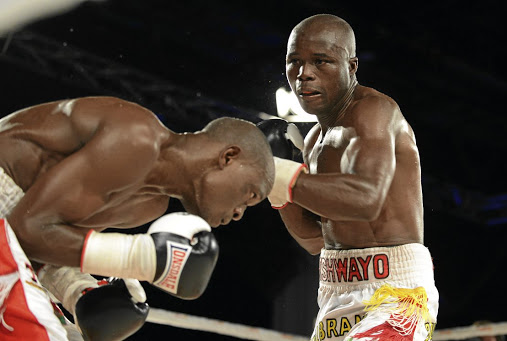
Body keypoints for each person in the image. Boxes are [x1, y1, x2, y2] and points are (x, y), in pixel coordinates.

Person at [0, 96, 274, 340]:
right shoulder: (136, 136)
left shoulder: (147, 206)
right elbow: (26, 229)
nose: (239, 212)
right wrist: (136, 257)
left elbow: (38, 242)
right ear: (228, 157)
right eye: (250, 195)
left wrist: (78, 290)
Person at [259, 14, 439, 340]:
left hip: (393, 291)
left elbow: (365, 200)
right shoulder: (312, 141)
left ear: (351, 66)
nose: (303, 74)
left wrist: (281, 172)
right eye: (294, 62)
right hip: (334, 290)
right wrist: (274, 187)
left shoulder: (374, 112)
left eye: (320, 61)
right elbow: (314, 240)